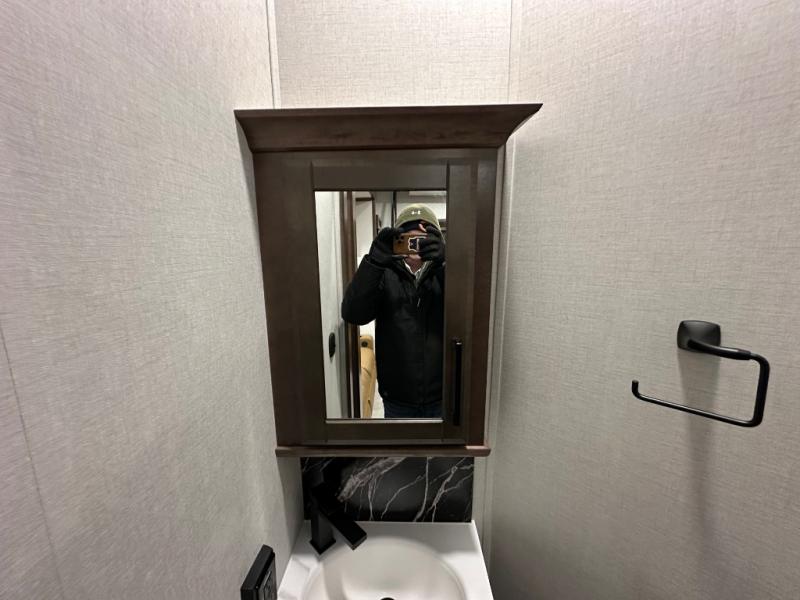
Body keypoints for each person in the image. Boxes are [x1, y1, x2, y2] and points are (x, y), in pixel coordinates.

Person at [341, 204, 445, 418]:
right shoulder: (383, 273)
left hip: (442, 395)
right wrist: (373, 263)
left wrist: (447, 264)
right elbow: (353, 313)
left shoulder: (444, 273)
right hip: (396, 397)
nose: (415, 245)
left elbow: (470, 314)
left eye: (422, 240)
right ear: (396, 240)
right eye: (407, 239)